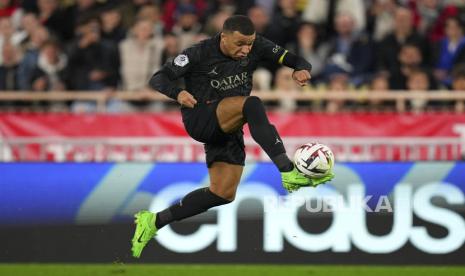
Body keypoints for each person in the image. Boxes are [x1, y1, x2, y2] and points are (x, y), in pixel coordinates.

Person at [131, 15, 334, 258]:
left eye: (249, 44)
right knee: (253, 104)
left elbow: (294, 59)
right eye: (240, 44)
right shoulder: (198, 53)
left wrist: (301, 68)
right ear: (223, 36)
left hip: (229, 125)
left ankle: (153, 221)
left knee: (222, 193)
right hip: (201, 117)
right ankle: (288, 170)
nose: (246, 49)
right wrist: (178, 93)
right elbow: (158, 78)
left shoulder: (256, 44)